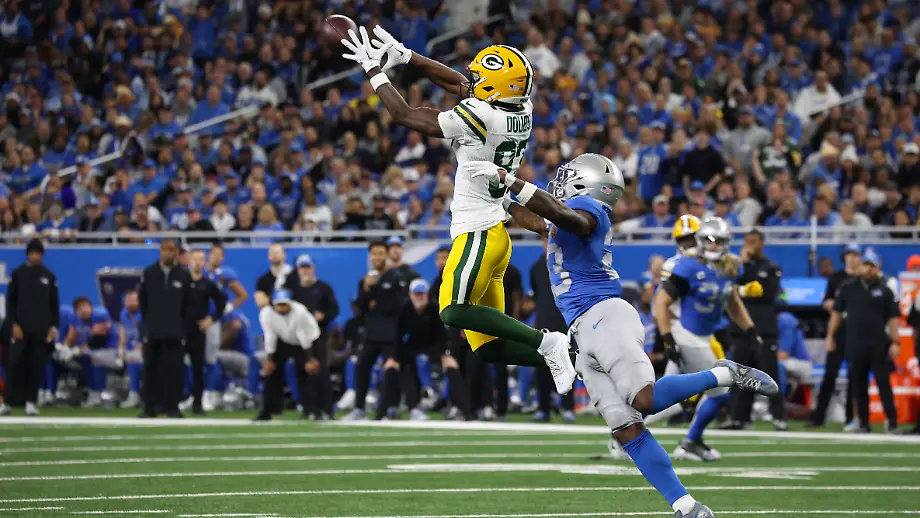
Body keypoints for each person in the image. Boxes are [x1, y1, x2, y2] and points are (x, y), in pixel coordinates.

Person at [480, 153, 776, 518]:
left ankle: (724, 374)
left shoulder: (590, 210)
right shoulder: (566, 216)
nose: (560, 182)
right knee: (627, 430)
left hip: (604, 314)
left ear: (587, 182)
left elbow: (562, 216)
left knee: (644, 399)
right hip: (581, 328)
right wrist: (499, 201)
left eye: (569, 176)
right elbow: (538, 220)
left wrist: (514, 182)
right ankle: (687, 506)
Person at [340, 26, 574, 394]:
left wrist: (374, 69)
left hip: (479, 232)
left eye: (481, 78)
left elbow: (405, 114)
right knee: (490, 349)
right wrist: (407, 56)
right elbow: (461, 85)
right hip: (495, 233)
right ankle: (574, 357)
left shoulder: (481, 116)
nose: (473, 81)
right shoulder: (521, 109)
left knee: (452, 310)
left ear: (495, 87)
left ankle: (549, 343)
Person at [826, 249, 901, 433]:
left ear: (877, 268)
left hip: (878, 344)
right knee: (858, 385)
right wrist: (830, 336)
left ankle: (892, 422)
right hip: (855, 343)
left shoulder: (884, 290)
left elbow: (893, 318)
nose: (868, 269)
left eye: (872, 266)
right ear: (859, 267)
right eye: (866, 265)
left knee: (884, 384)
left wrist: (896, 342)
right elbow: (836, 313)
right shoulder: (847, 288)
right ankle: (863, 422)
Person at [342, 241, 417, 420]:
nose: (377, 257)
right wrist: (367, 290)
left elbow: (396, 306)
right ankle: (359, 408)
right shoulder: (366, 280)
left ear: (386, 255)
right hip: (372, 332)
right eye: (374, 253)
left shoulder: (396, 277)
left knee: (395, 370)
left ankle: (397, 408)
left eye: (380, 253)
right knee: (361, 366)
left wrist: (375, 295)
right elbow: (361, 308)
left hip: (392, 333)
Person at [725, 229, 786, 431]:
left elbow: (767, 293)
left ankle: (779, 417)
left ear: (762, 244)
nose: (750, 246)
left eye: (754, 241)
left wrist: (746, 271)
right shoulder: (737, 267)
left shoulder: (771, 267)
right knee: (740, 376)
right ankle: (739, 418)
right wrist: (742, 266)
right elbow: (730, 289)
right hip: (740, 330)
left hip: (764, 330)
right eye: (747, 241)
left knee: (770, 374)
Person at [0, 239, 59, 416]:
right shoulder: (18, 273)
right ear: (27, 254)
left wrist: (54, 327)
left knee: (37, 366)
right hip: (21, 328)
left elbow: (54, 304)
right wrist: (13, 324)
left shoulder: (48, 275)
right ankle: (7, 402)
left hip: (41, 329)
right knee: (14, 365)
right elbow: (10, 302)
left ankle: (31, 402)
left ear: (42, 255)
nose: (35, 256)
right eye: (32, 253)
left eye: (38, 253)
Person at [806, 244, 862, 428]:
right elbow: (826, 302)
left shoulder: (863, 279)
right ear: (844, 257)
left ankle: (851, 417)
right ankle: (819, 416)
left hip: (857, 331)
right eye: (850, 254)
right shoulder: (837, 278)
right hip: (839, 330)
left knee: (855, 376)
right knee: (830, 373)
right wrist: (833, 305)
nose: (852, 258)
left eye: (856, 255)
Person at [138, 239, 192, 418]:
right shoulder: (150, 273)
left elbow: (187, 304)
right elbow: (143, 301)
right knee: (150, 369)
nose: (168, 253)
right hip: (153, 330)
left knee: (174, 370)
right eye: (165, 250)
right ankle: (149, 407)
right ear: (160, 252)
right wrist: (148, 324)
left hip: (175, 332)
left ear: (176, 253)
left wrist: (181, 327)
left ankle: (172, 407)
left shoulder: (183, 275)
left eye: (171, 250)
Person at [284, 253, 339, 418]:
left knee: (321, 371)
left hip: (318, 336)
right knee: (301, 370)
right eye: (302, 268)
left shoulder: (324, 288)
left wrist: (323, 316)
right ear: (298, 270)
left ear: (313, 268)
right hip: (298, 337)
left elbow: (334, 310)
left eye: (308, 267)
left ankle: (326, 408)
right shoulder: (292, 290)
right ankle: (307, 408)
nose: (305, 271)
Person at [254, 289, 321, 421]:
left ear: (290, 303)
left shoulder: (300, 311)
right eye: (279, 304)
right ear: (273, 304)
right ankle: (268, 410)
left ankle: (312, 410)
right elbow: (270, 336)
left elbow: (304, 337)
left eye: (284, 304)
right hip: (283, 339)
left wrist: (309, 359)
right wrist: (270, 360)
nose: (282, 308)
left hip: (309, 341)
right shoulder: (266, 314)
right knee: (271, 372)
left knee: (307, 372)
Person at [529, 236, 575, 423]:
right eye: (544, 240)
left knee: (567, 363)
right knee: (542, 365)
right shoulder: (537, 267)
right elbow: (537, 295)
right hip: (544, 322)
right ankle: (543, 409)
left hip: (565, 321)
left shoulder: (569, 264)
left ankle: (568, 408)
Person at [202, 243, 247, 410]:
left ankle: (209, 393)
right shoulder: (200, 272)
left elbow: (242, 295)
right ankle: (197, 394)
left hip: (213, 320)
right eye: (214, 254)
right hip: (195, 320)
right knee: (195, 359)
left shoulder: (225, 274)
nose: (216, 257)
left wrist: (229, 306)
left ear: (223, 258)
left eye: (219, 255)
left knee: (211, 358)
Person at [184, 249, 227, 414]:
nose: (197, 263)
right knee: (175, 366)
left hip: (198, 331)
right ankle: (174, 401)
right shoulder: (181, 281)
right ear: (189, 261)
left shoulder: (208, 284)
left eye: (201, 259)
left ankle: (198, 403)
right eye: (195, 259)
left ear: (204, 262)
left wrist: (211, 319)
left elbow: (221, 302)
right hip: (180, 330)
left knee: (198, 367)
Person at [118, 290, 144, 409]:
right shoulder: (123, 314)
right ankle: (134, 394)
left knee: (134, 361)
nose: (132, 303)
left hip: (144, 349)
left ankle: (136, 393)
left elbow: (147, 334)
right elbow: (123, 331)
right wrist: (121, 348)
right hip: (129, 349)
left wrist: (138, 349)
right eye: (129, 300)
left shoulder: (144, 314)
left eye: (135, 300)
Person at [254, 244, 293, 309]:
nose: (275, 255)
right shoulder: (263, 280)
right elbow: (261, 303)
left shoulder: (293, 275)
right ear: (268, 256)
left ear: (284, 255)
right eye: (272, 253)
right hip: (272, 313)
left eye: (277, 253)